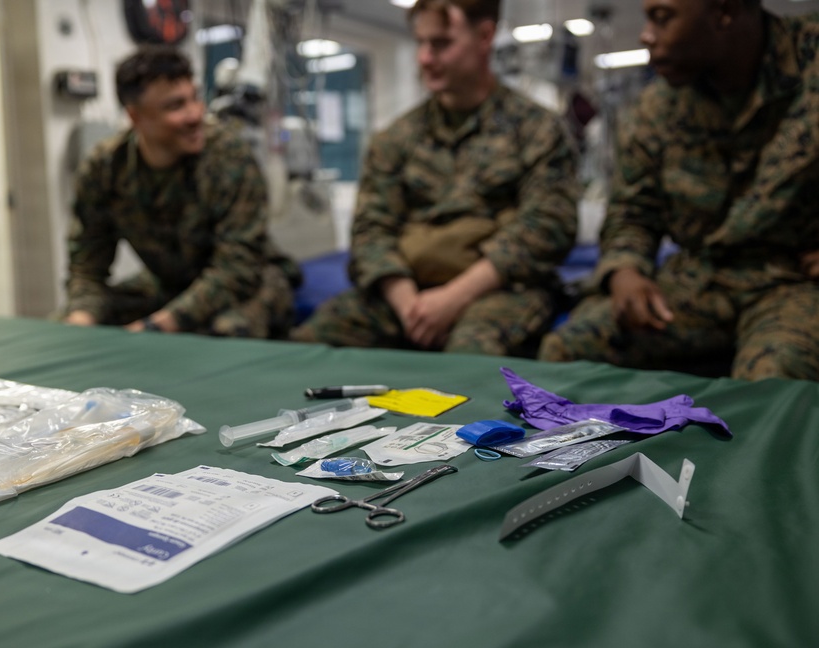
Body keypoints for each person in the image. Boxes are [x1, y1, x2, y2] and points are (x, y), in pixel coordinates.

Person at [539, 0, 819, 381]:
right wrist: (625, 271)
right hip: (699, 280)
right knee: (568, 349)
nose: (646, 35)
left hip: (793, 283)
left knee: (773, 384)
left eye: (663, 17)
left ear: (724, 12)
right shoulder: (657, 108)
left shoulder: (810, 61)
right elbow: (633, 213)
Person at [290, 0, 578, 355]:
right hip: (407, 293)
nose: (425, 58)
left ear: (485, 36)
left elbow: (548, 227)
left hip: (499, 290)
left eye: (441, 44)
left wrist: (453, 298)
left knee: (470, 357)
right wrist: (410, 305)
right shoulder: (396, 138)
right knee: (307, 347)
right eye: (421, 43)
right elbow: (370, 231)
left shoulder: (537, 130)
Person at [64, 46, 299, 338]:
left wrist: (156, 327)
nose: (195, 115)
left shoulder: (228, 156)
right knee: (67, 321)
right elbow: (87, 265)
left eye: (195, 99)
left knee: (225, 332)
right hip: (168, 283)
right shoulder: (106, 167)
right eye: (176, 106)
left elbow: (236, 268)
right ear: (136, 117)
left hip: (251, 279)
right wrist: (81, 322)